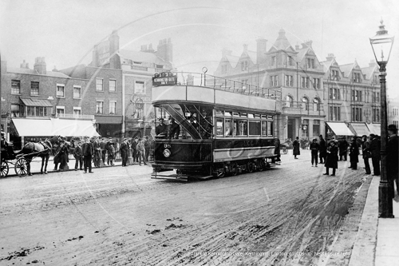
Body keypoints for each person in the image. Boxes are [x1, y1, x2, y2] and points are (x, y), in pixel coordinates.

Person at [387, 124, 399, 199]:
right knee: (398, 179)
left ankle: (391, 194)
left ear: (390, 131)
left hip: (392, 163)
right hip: (397, 163)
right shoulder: (398, 139)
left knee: (390, 179)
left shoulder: (391, 140)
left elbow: (389, 153)